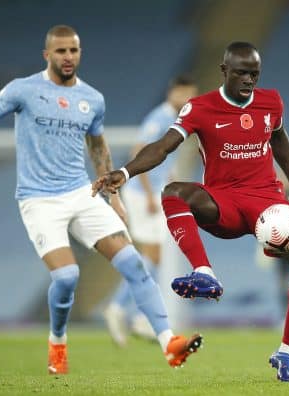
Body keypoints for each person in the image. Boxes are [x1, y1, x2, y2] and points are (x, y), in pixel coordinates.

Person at [0, 25, 201, 375]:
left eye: (73, 51)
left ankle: (169, 343)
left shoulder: (92, 99)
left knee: (134, 263)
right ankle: (57, 341)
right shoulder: (23, 90)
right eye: (60, 51)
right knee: (68, 277)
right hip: (39, 201)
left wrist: (112, 195)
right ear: (47, 55)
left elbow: (97, 146)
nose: (68, 57)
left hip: (82, 194)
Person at [93, 41, 289, 382]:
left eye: (254, 74)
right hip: (223, 202)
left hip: (268, 203)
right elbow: (163, 147)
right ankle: (204, 272)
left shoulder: (271, 101)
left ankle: (286, 352)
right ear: (224, 71)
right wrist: (125, 173)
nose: (249, 81)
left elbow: (279, 138)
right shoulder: (200, 108)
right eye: (242, 73)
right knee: (174, 192)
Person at [102, 75, 198, 346]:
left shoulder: (176, 119)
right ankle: (124, 310)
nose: (186, 99)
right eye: (183, 93)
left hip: (152, 193)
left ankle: (128, 311)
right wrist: (148, 193)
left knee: (155, 256)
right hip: (143, 195)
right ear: (172, 93)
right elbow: (138, 151)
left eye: (190, 94)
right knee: (154, 255)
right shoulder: (161, 116)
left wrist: (167, 178)